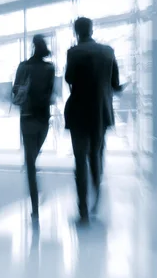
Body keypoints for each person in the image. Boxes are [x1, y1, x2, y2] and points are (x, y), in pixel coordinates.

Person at [65, 17, 126, 223]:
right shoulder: (108, 51)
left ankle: (82, 210)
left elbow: (69, 78)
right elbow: (116, 84)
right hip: (101, 112)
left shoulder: (73, 52)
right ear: (92, 30)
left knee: (80, 160)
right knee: (97, 155)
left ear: (76, 32)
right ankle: (96, 202)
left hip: (79, 112)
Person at [12, 34, 55, 221]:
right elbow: (50, 93)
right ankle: (36, 195)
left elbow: (15, 91)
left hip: (27, 117)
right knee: (32, 158)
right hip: (43, 118)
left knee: (30, 163)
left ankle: (35, 206)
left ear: (32, 47)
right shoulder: (49, 68)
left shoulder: (23, 67)